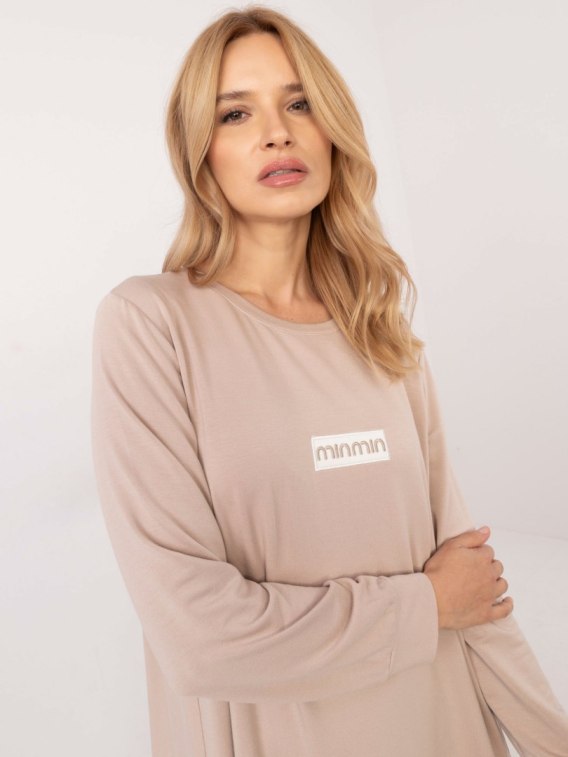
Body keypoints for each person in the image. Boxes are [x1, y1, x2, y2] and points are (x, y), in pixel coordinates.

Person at [90, 5, 568, 756]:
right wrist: (424, 605)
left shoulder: (378, 328)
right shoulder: (152, 324)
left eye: (300, 103)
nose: (276, 132)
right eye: (236, 113)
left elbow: (475, 591)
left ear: (331, 130)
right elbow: (200, 638)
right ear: (197, 152)